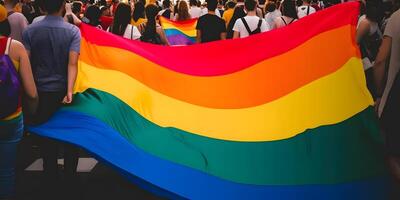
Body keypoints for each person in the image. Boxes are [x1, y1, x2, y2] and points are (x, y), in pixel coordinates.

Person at [22, 0, 81, 193]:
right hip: (64, 91)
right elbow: (72, 64)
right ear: (63, 6)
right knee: (71, 137)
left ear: (41, 7)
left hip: (41, 91)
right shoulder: (73, 32)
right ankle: (71, 178)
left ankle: (50, 178)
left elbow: (27, 64)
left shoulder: (30, 31)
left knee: (47, 138)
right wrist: (70, 90)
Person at [0, 5, 38, 199]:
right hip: (10, 117)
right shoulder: (14, 47)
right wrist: (32, 114)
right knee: (6, 172)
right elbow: (31, 92)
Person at [373, 0, 400, 197]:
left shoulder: (396, 19)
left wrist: (380, 93)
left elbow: (380, 60)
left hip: (396, 94)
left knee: (390, 153)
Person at [356, 0, 383, 98]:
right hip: (368, 60)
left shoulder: (368, 22)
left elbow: (356, 41)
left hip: (368, 60)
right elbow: (356, 42)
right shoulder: (369, 22)